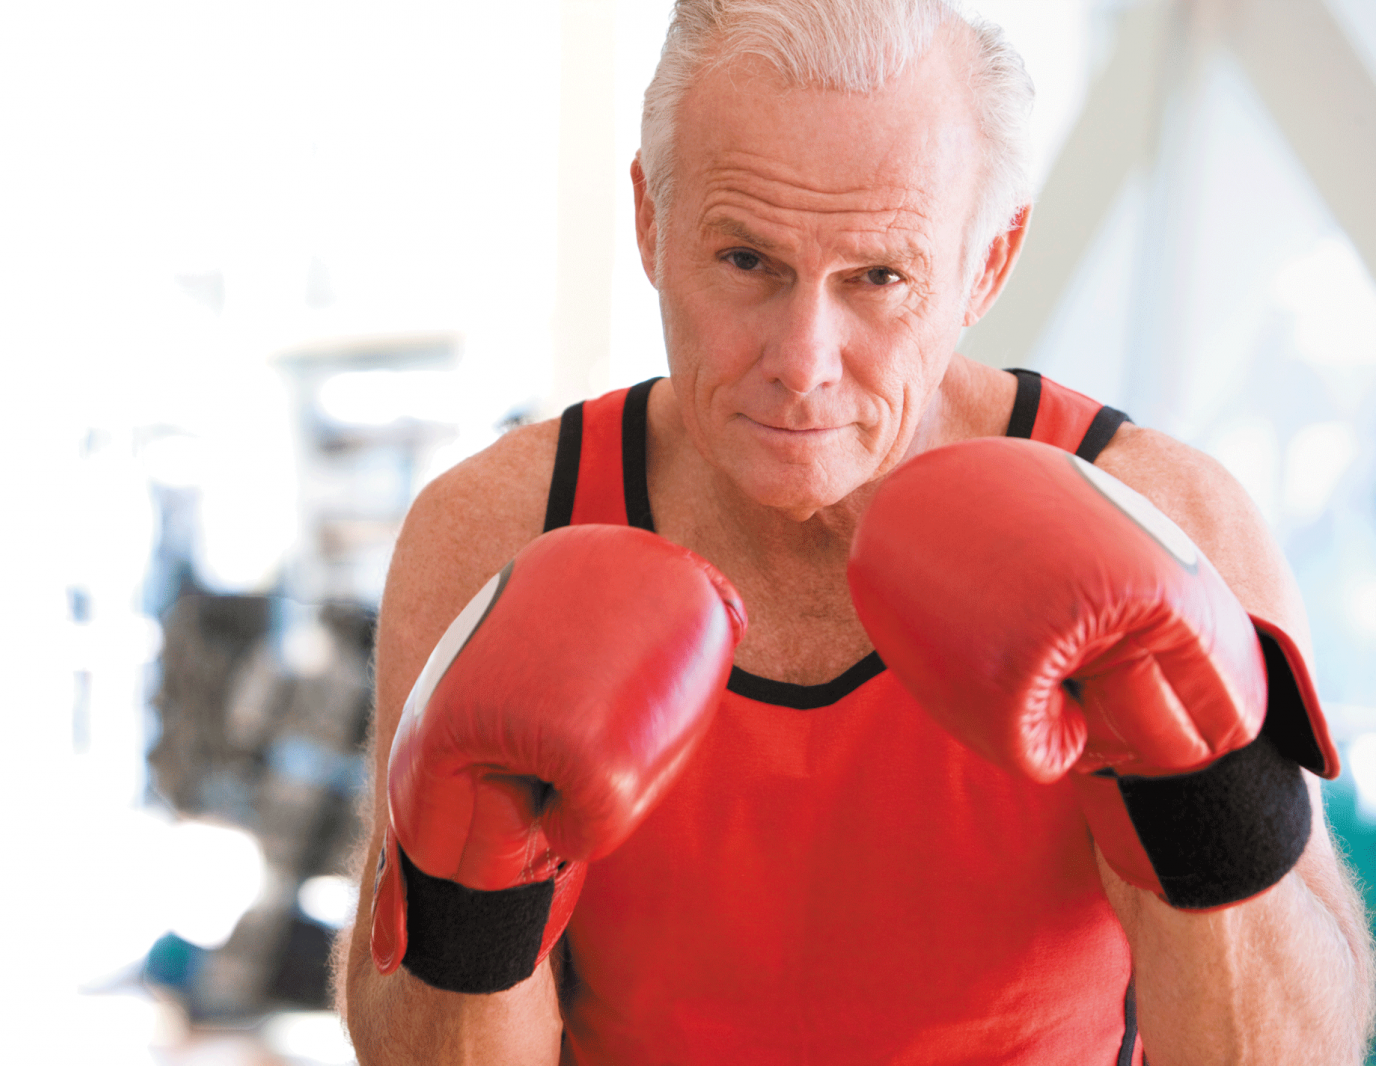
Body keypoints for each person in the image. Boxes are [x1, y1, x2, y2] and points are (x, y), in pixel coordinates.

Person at [338, 1, 1376, 1062]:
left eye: (878, 277)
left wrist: (1205, 791)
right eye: (746, 260)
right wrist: (473, 897)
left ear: (987, 262)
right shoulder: (501, 531)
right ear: (649, 219)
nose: (803, 358)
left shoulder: (1165, 515)